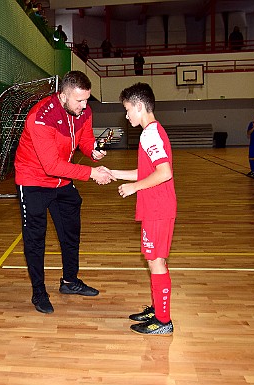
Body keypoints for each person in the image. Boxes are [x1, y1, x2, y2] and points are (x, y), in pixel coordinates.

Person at [14, 70, 114, 314]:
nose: (84, 106)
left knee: (71, 232)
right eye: (79, 100)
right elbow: (51, 166)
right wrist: (91, 173)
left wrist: (93, 151)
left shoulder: (84, 111)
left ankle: (70, 282)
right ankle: (39, 292)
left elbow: (86, 139)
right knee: (35, 239)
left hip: (62, 181)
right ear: (63, 95)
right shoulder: (40, 117)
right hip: (33, 181)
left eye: (86, 100)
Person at [110, 82, 176, 336]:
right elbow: (147, 171)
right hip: (156, 207)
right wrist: (114, 174)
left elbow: (164, 173)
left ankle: (163, 321)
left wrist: (135, 187)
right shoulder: (152, 132)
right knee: (153, 261)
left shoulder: (150, 134)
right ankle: (157, 309)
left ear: (139, 106)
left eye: (128, 110)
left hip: (158, 208)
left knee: (157, 262)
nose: (126, 115)